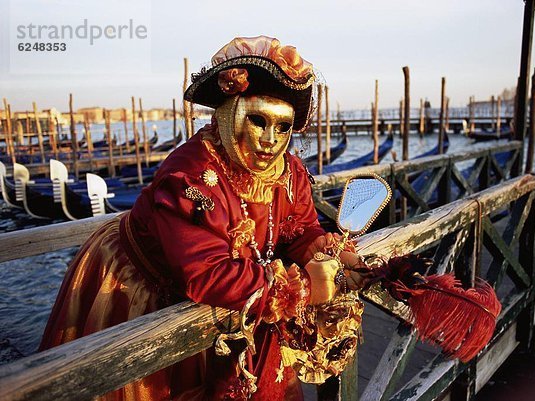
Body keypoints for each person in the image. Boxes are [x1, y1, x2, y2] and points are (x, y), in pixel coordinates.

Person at [40, 36, 368, 401]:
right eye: (258, 121)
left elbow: (299, 229)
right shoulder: (191, 173)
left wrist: (323, 251)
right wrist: (301, 288)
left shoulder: (288, 171)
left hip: (238, 299)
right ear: (231, 114)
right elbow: (203, 273)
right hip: (144, 288)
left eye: (284, 127)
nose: (270, 141)